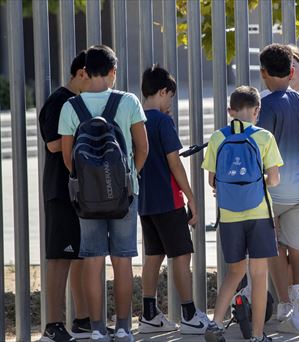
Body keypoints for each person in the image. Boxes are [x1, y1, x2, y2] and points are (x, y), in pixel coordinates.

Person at [59, 45, 148, 342]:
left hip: (87, 199)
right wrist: (128, 179)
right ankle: (124, 327)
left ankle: (96, 328)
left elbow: (68, 158)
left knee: (93, 260)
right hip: (124, 196)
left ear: (86, 71)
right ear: (112, 72)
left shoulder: (71, 107)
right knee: (122, 260)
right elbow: (142, 147)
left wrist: (88, 183)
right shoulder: (128, 101)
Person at [136, 64, 219, 336]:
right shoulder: (163, 122)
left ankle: (148, 314)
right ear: (163, 92)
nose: (170, 102)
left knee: (152, 256)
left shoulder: (134, 119)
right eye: (170, 96)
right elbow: (175, 162)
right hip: (169, 200)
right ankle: (189, 315)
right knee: (182, 256)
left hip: (145, 201)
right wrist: (192, 198)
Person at [204, 86, 283, 342]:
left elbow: (211, 180)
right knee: (259, 276)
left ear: (230, 111)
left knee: (235, 272)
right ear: (257, 111)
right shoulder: (264, 137)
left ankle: (215, 324)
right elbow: (274, 180)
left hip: (229, 216)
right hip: (259, 214)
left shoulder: (218, 137)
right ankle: (258, 336)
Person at [257, 43, 299, 335]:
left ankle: (284, 306)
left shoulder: (264, 105)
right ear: (292, 71)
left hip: (276, 189)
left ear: (263, 73)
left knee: (272, 247)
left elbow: (259, 147)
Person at [39, 51, 91, 342]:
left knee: (80, 257)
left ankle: (82, 320)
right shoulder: (59, 101)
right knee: (59, 258)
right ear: (82, 72)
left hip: (79, 193)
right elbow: (53, 144)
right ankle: (52, 325)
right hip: (60, 191)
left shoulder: (79, 101)